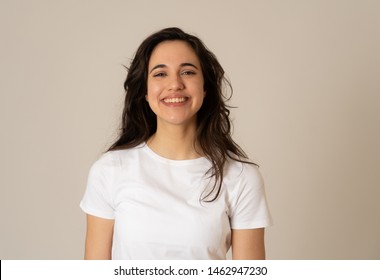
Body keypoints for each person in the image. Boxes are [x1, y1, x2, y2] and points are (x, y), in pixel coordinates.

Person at [80, 27, 272, 260]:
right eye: (160, 74)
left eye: (188, 72)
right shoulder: (110, 170)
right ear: (145, 91)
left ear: (205, 87)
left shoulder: (241, 177)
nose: (175, 84)